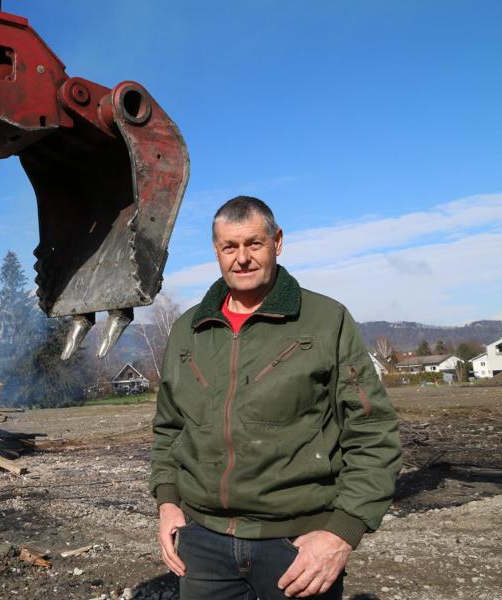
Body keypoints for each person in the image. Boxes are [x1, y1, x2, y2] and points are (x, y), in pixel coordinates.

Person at [150, 196, 402, 599]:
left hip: (297, 545)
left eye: (254, 243)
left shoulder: (325, 320)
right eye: (229, 247)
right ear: (216, 251)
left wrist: (342, 532)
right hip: (203, 545)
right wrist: (167, 502)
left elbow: (372, 431)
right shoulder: (187, 330)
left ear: (277, 242)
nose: (242, 258)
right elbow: (169, 428)